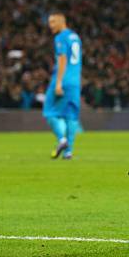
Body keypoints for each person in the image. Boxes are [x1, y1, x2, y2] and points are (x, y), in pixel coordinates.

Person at [43, 11, 82, 160]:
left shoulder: (60, 37)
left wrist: (58, 83)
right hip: (75, 81)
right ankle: (68, 152)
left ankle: (62, 140)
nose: (50, 25)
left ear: (61, 21)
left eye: (53, 22)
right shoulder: (75, 37)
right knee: (71, 115)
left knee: (48, 111)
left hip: (62, 79)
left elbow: (62, 60)